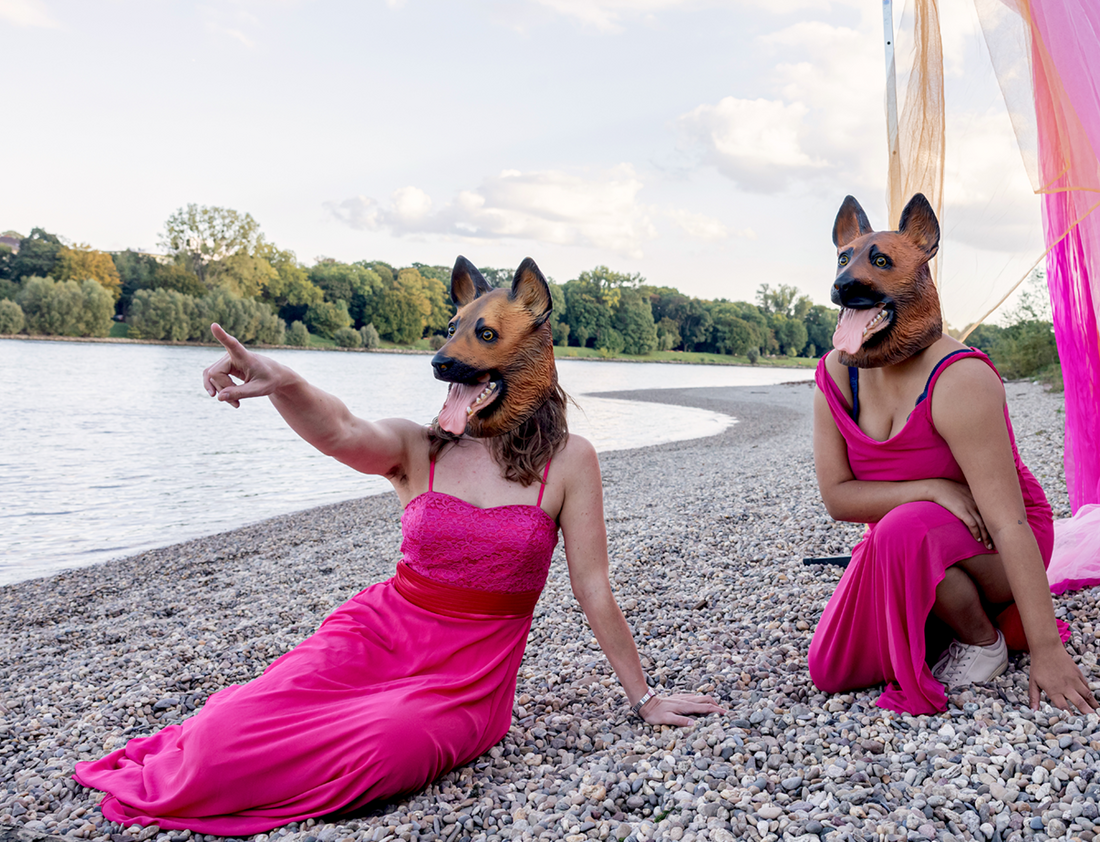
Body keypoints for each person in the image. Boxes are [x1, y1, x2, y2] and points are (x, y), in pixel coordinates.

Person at [75, 257, 723, 835]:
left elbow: (593, 588)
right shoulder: (422, 446)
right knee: (217, 742)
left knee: (391, 743)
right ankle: (217, 749)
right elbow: (341, 428)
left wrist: (645, 699)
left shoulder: (570, 461)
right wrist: (279, 377)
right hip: (377, 633)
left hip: (466, 682)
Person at [807, 194, 1096, 716]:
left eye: (879, 263)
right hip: (911, 531)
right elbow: (838, 498)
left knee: (901, 528)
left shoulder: (961, 379)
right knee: (830, 670)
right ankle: (944, 601)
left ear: (922, 261)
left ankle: (984, 639)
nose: (852, 275)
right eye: (846, 260)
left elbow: (1009, 524)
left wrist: (1050, 652)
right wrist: (933, 488)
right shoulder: (835, 373)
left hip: (996, 533)